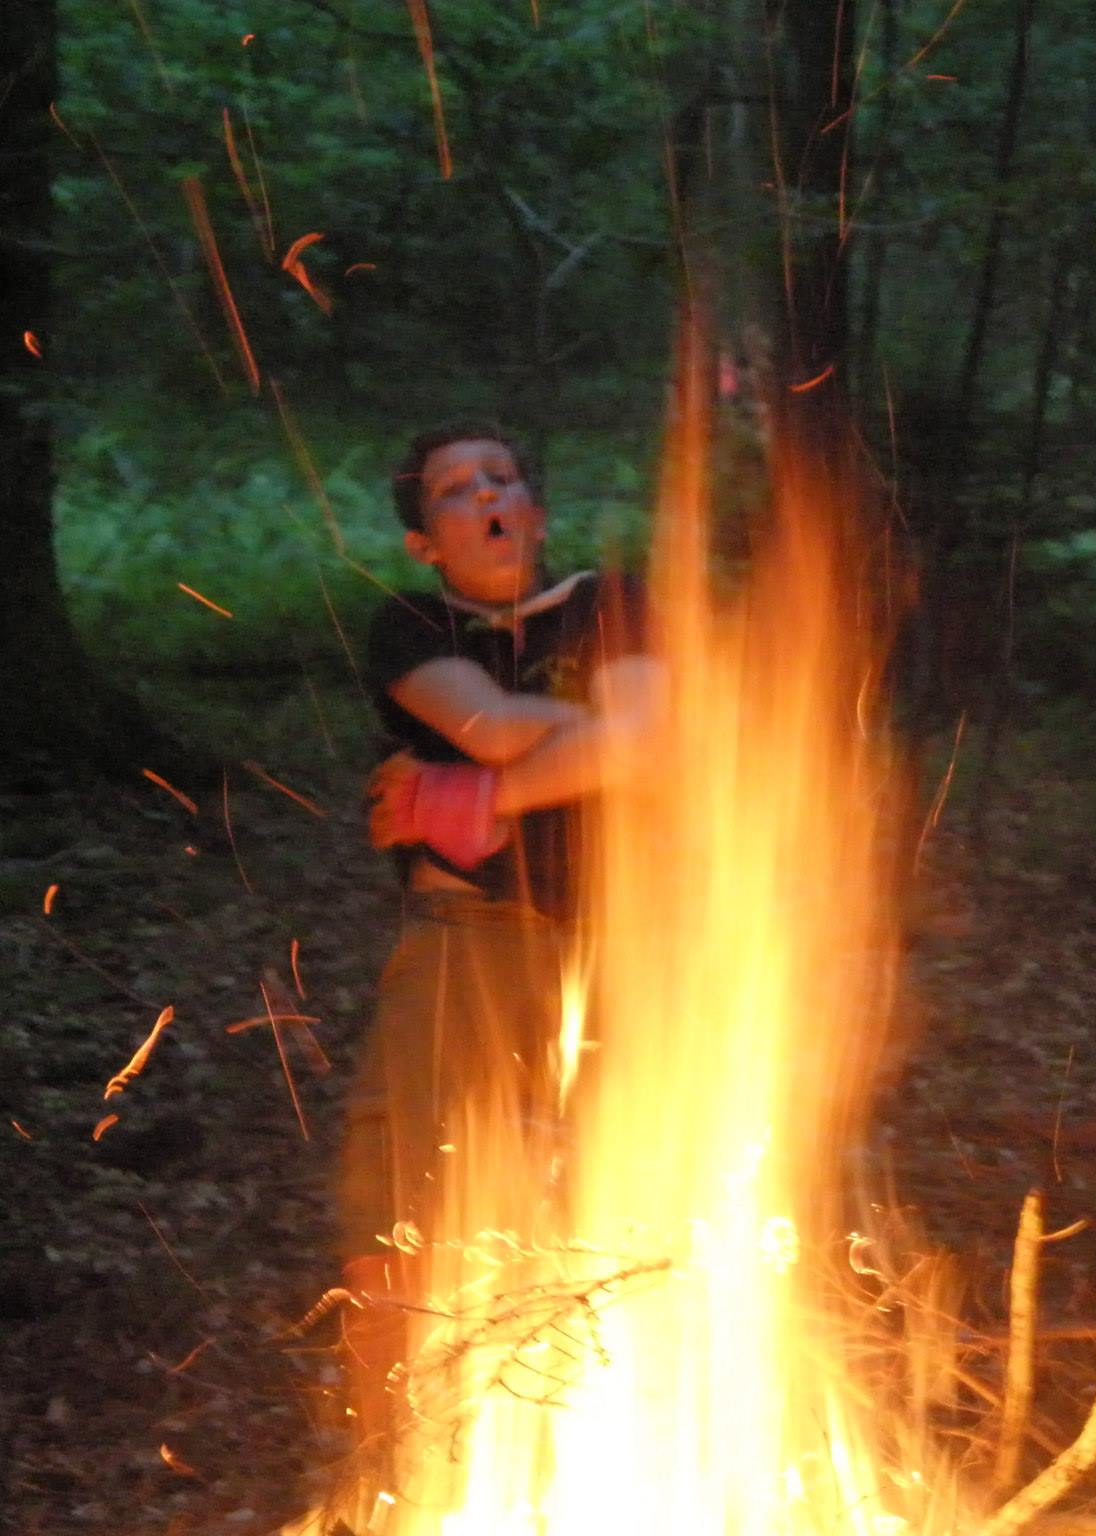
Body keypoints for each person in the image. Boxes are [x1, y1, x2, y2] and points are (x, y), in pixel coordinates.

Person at [335, 419, 656, 1461]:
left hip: (615, 939)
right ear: (426, 540)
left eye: (503, 477)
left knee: (614, 1196)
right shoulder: (410, 625)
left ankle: (591, 1450)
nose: (487, 495)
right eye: (455, 490)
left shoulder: (613, 604)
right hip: (464, 937)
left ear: (537, 509)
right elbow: (492, 723)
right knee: (413, 1204)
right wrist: (566, 748)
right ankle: (401, 1468)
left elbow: (646, 744)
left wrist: (461, 803)